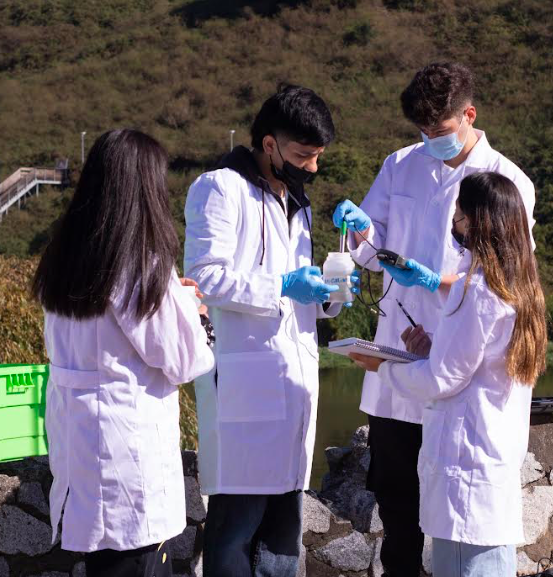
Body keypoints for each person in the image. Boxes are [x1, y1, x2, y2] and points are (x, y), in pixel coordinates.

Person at [333, 62, 537, 575]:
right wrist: (359, 231)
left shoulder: (507, 183)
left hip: (459, 365)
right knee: (399, 509)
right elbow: (370, 246)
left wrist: (435, 284)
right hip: (404, 349)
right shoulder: (401, 164)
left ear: (469, 114)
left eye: (440, 131)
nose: (430, 140)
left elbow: (507, 277)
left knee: (457, 522)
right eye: (422, 131)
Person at [184, 84, 356, 577]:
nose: (313, 167)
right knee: (236, 526)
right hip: (246, 380)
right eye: (305, 155)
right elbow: (204, 276)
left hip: (293, 379)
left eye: (318, 156)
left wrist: (327, 295)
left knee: (284, 526)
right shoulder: (219, 188)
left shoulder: (295, 201)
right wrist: (281, 284)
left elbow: (297, 301)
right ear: (269, 145)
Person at [32, 129, 215, 577]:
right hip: (126, 451)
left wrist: (173, 299)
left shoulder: (66, 254)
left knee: (105, 560)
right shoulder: (137, 262)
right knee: (136, 559)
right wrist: (197, 314)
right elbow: (183, 358)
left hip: (82, 438)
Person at [350, 172, 547, 577]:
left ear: (476, 220)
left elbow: (442, 380)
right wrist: (432, 349)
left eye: (458, 213)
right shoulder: (519, 286)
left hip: (466, 468)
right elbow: (478, 364)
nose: (453, 222)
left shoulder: (476, 288)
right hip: (491, 461)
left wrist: (382, 367)